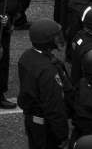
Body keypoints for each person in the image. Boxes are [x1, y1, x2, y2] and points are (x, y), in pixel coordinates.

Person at [18, 19, 71, 149]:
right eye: (56, 37)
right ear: (48, 41)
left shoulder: (27, 56)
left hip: (32, 120)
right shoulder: (48, 71)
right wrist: (62, 135)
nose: (59, 39)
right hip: (46, 126)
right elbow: (53, 106)